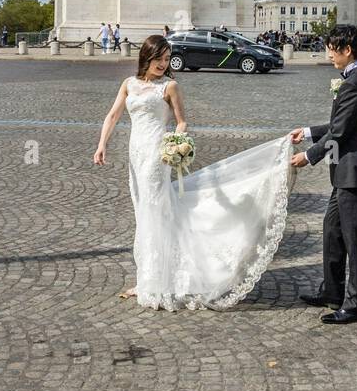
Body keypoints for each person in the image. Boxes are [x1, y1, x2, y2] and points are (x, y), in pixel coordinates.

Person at [92, 35, 295, 311]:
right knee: (144, 212)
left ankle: (156, 282)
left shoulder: (170, 86)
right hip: (135, 156)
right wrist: (102, 144)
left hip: (156, 155)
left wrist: (174, 145)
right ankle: (150, 276)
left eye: (166, 59)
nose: (163, 64)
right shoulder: (128, 84)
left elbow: (181, 122)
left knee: (153, 211)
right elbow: (113, 115)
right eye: (159, 59)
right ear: (146, 57)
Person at [289, 25, 357, 325]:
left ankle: (356, 305)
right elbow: (339, 125)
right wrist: (306, 132)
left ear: (347, 50)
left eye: (332, 47)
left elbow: (340, 132)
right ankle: (332, 291)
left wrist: (308, 155)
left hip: (355, 172)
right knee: (332, 229)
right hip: (346, 172)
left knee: (354, 239)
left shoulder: (356, 84)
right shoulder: (356, 80)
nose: (328, 53)